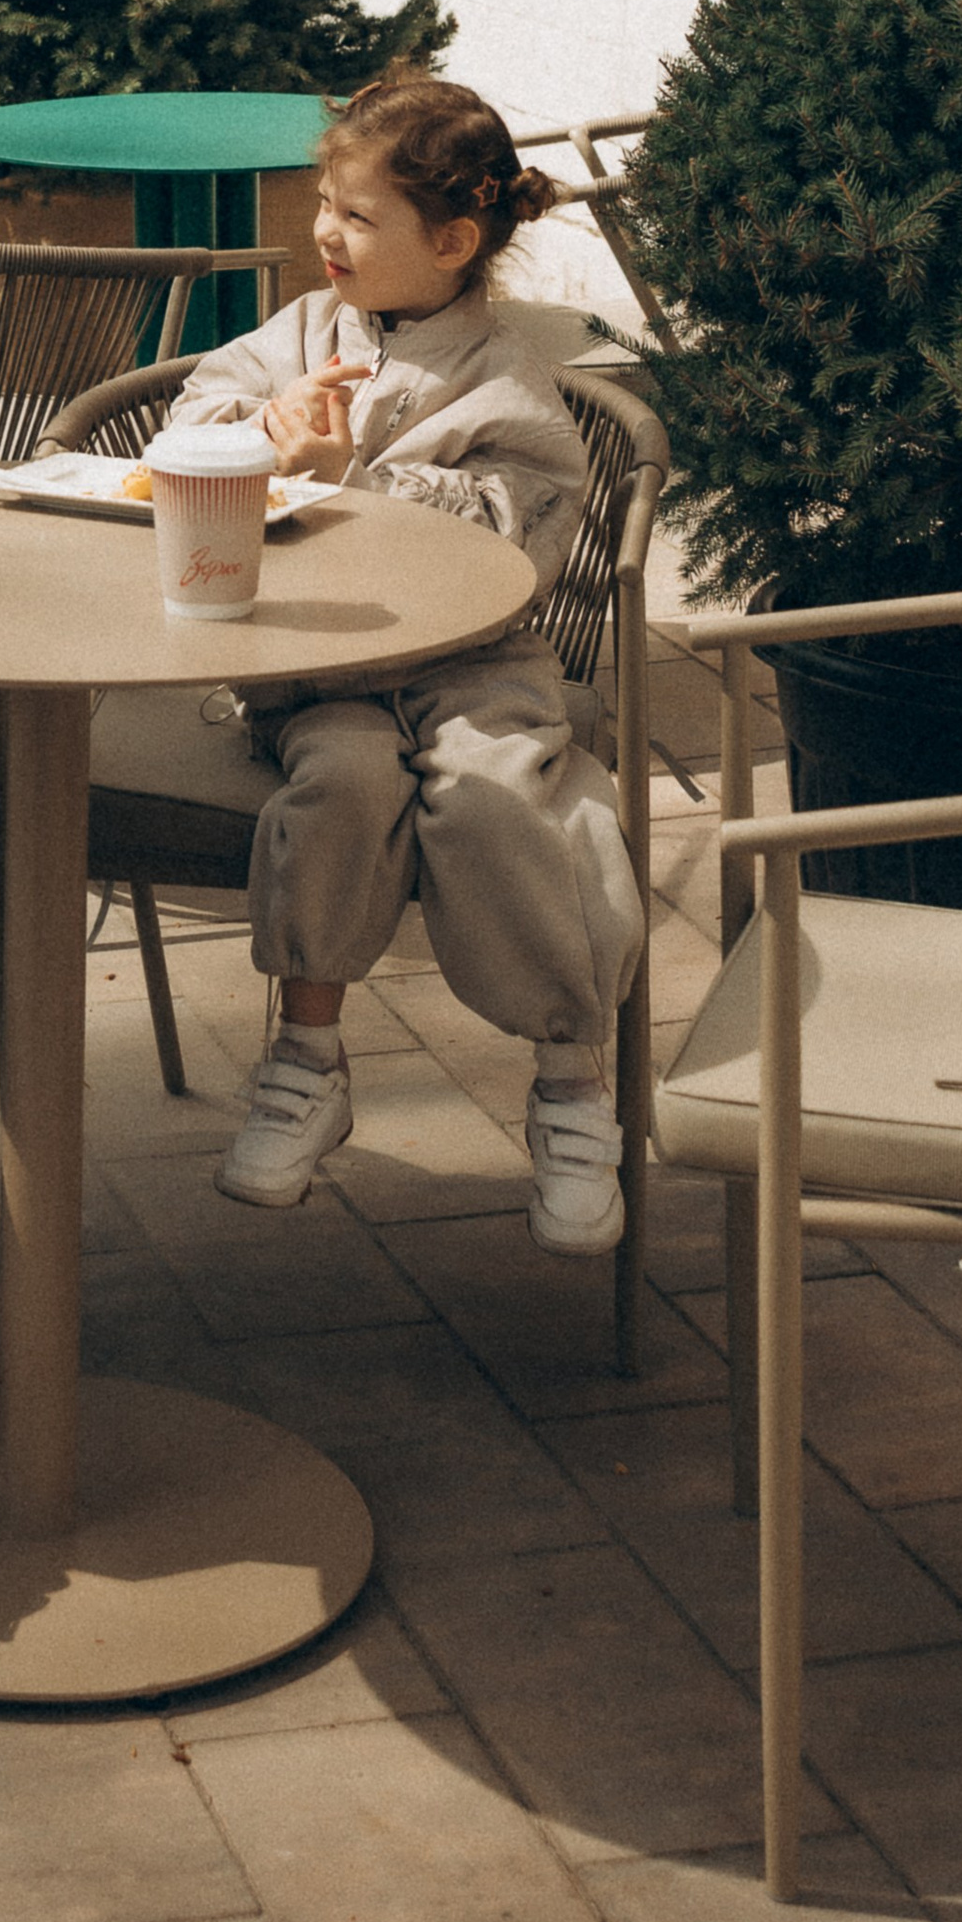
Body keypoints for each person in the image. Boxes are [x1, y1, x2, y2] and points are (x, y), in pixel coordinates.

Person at [156, 70, 644, 1247]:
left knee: (493, 799)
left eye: (357, 215)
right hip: (325, 663)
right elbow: (195, 402)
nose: (324, 231)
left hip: (476, 660)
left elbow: (513, 528)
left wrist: (353, 476)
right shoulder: (306, 331)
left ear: (452, 241)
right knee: (343, 784)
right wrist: (257, 430)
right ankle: (306, 1059)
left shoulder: (503, 371)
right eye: (325, 202)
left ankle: (573, 1088)